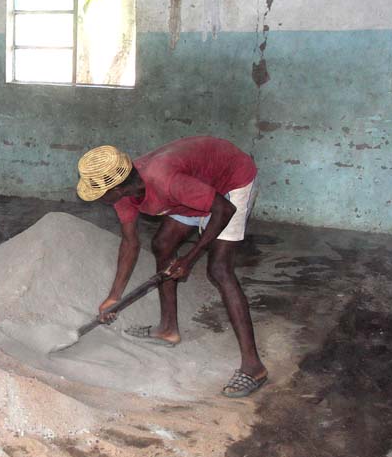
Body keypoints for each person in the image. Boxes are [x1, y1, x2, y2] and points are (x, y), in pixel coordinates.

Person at [76, 137, 268, 397]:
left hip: (230, 182)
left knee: (219, 269)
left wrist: (189, 259)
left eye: (101, 194)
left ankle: (253, 367)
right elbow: (130, 242)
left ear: (118, 188)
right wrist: (114, 297)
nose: (99, 199)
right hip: (196, 183)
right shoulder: (126, 194)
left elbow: (223, 209)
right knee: (163, 244)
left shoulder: (164, 180)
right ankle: (168, 329)